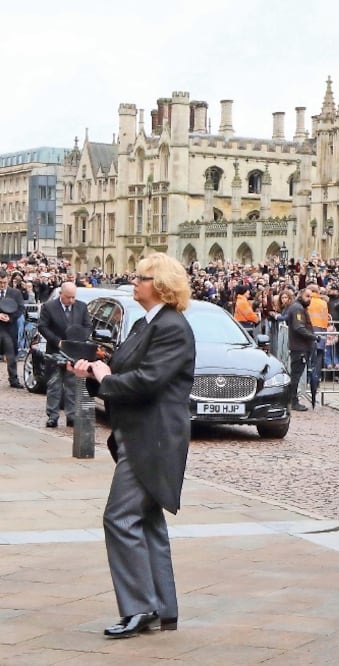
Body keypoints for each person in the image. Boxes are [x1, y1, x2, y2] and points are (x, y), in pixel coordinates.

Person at [69, 253, 196, 638]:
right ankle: (161, 607)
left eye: (140, 278)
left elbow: (149, 380)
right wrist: (93, 372)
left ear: (159, 285)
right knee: (146, 522)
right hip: (137, 435)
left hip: (153, 440)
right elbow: (123, 372)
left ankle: (140, 608)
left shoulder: (172, 327)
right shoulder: (145, 324)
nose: (133, 282)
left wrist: (106, 379)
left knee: (119, 518)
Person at [37, 281, 91, 428]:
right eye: (68, 297)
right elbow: (42, 326)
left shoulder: (81, 307)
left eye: (73, 297)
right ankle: (52, 416)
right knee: (54, 384)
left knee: (72, 385)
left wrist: (79, 339)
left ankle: (71, 415)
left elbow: (88, 326)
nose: (71, 301)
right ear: (61, 294)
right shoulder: (49, 307)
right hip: (55, 351)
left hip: (74, 353)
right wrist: (57, 341)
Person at [286, 288, 317, 412]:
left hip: (300, 346)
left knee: (296, 374)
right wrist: (313, 336)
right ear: (300, 295)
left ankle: (292, 399)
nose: (309, 299)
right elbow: (299, 327)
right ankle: (293, 400)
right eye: (307, 296)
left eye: (310, 297)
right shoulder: (297, 308)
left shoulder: (298, 307)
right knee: (296, 375)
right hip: (300, 347)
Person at [0, 269, 26, 388]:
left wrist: (10, 318)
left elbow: (20, 308)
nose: (2, 285)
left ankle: (14, 380)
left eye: (4, 282)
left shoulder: (15, 293)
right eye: (0, 282)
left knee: (11, 355)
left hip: (9, 328)